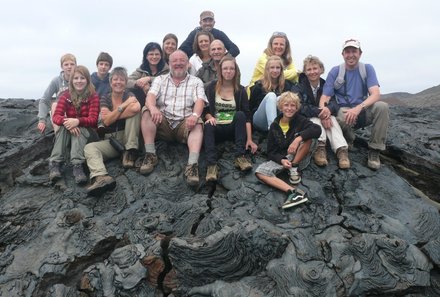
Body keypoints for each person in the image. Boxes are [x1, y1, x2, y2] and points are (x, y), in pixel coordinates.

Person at [139, 50, 208, 186]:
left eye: (182, 60)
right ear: (169, 64)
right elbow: (151, 96)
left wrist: (194, 115)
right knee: (147, 111)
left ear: (188, 64)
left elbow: (200, 100)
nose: (178, 63)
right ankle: (150, 155)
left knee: (198, 123)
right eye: (174, 61)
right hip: (162, 123)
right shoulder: (160, 79)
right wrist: (153, 108)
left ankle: (192, 165)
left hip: (184, 124)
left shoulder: (196, 81)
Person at [319, 39, 389, 170]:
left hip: (362, 108)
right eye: (347, 52)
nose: (351, 55)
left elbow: (375, 94)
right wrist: (323, 112)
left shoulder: (367, 69)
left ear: (360, 53)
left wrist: (358, 108)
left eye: (354, 51)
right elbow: (325, 96)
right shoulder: (335, 71)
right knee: (343, 114)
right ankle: (349, 138)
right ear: (343, 54)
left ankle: (374, 150)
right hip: (344, 111)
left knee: (382, 107)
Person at [255, 92, 321, 209]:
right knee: (260, 172)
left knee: (308, 138)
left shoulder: (301, 120)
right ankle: (293, 193)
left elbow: (317, 129)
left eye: (292, 106)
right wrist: (281, 160)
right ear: (281, 107)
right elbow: (271, 151)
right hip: (285, 158)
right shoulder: (274, 125)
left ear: (296, 108)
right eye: (286, 105)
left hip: (299, 156)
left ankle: (294, 168)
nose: (289, 108)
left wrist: (298, 138)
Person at [84, 67, 141, 196]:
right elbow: (106, 122)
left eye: (121, 79)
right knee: (90, 148)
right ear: (110, 82)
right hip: (112, 140)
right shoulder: (105, 98)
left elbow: (136, 108)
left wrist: (112, 115)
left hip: (128, 135)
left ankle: (130, 152)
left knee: (136, 114)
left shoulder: (129, 94)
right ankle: (101, 177)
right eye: (115, 79)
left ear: (126, 82)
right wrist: (122, 107)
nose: (118, 82)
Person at [203, 56, 258, 182]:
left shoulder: (240, 90)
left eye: (231, 69)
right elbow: (205, 109)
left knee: (240, 115)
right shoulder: (211, 87)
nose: (228, 71)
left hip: (233, 128)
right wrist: (210, 117)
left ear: (235, 71)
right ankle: (211, 166)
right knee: (208, 125)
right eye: (225, 68)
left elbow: (247, 116)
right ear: (220, 70)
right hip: (218, 127)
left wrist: (249, 139)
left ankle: (240, 157)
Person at [294, 55, 350, 169]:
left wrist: (328, 110)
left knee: (332, 119)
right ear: (304, 72)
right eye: (309, 69)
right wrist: (321, 112)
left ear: (321, 70)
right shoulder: (298, 87)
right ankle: (320, 148)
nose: (312, 72)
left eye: (315, 68)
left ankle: (342, 151)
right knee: (315, 120)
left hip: (326, 116)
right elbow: (299, 107)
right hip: (307, 119)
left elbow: (334, 102)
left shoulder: (327, 85)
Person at [48, 65, 99, 185]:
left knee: (79, 129)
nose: (79, 81)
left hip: (89, 135)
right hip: (71, 131)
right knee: (63, 128)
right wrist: (69, 123)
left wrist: (77, 121)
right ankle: (55, 164)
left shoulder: (93, 96)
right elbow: (56, 117)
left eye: (82, 78)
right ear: (71, 80)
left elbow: (93, 120)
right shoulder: (66, 95)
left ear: (87, 80)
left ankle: (77, 165)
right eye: (76, 78)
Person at [249, 55, 295, 132]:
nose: (275, 70)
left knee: (281, 98)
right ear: (267, 69)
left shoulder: (288, 85)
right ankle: (274, 131)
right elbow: (251, 107)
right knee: (271, 95)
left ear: (281, 70)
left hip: (280, 119)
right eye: (272, 67)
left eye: (278, 68)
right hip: (260, 121)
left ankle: (279, 129)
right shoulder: (258, 86)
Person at [37, 53, 77, 134]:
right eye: (66, 64)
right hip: (61, 112)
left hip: (77, 111)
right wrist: (42, 120)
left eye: (72, 64)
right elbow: (44, 100)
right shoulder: (56, 81)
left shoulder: (81, 79)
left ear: (76, 65)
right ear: (62, 67)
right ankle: (58, 136)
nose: (69, 66)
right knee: (55, 104)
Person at [127, 42, 170, 106]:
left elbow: (168, 80)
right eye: (151, 54)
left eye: (157, 54)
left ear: (161, 56)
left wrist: (149, 79)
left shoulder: (167, 69)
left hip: (163, 101)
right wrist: (139, 83)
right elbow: (126, 82)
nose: (154, 57)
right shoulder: (141, 70)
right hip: (143, 101)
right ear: (146, 56)